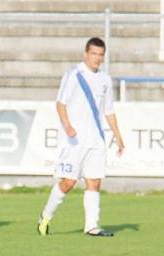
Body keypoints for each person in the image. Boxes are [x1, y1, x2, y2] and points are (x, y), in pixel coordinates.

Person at [37, 37, 125, 237]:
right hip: (74, 140)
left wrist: (118, 136)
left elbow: (109, 110)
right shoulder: (74, 75)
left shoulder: (105, 79)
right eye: (93, 54)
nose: (97, 58)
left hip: (96, 139)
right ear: (86, 54)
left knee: (94, 181)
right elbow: (60, 103)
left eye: (100, 55)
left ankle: (92, 225)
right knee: (68, 182)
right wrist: (67, 125)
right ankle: (46, 216)